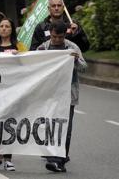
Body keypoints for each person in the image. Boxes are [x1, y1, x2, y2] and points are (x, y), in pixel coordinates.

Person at [36, 20, 86, 173]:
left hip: (68, 95)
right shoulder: (43, 48)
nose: (57, 40)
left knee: (66, 127)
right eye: (54, 37)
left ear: (65, 35)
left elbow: (84, 67)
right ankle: (53, 158)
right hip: (49, 93)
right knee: (50, 125)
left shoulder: (72, 47)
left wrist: (76, 59)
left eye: (60, 37)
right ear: (50, 34)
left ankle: (60, 160)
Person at [0, 18, 27, 171]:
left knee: (10, 124)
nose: (4, 29)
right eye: (1, 26)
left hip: (13, 91)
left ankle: (8, 158)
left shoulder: (19, 46)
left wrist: (19, 56)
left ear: (12, 29)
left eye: (7, 26)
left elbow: (29, 64)